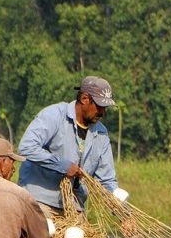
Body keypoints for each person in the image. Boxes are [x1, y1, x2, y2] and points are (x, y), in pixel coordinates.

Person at [17, 75, 127, 218]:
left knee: (81, 233)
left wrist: (123, 213)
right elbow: (26, 148)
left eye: (105, 108)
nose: (103, 113)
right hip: (40, 201)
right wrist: (62, 165)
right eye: (99, 107)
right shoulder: (54, 115)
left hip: (75, 206)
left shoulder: (101, 133)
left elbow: (106, 179)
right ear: (84, 99)